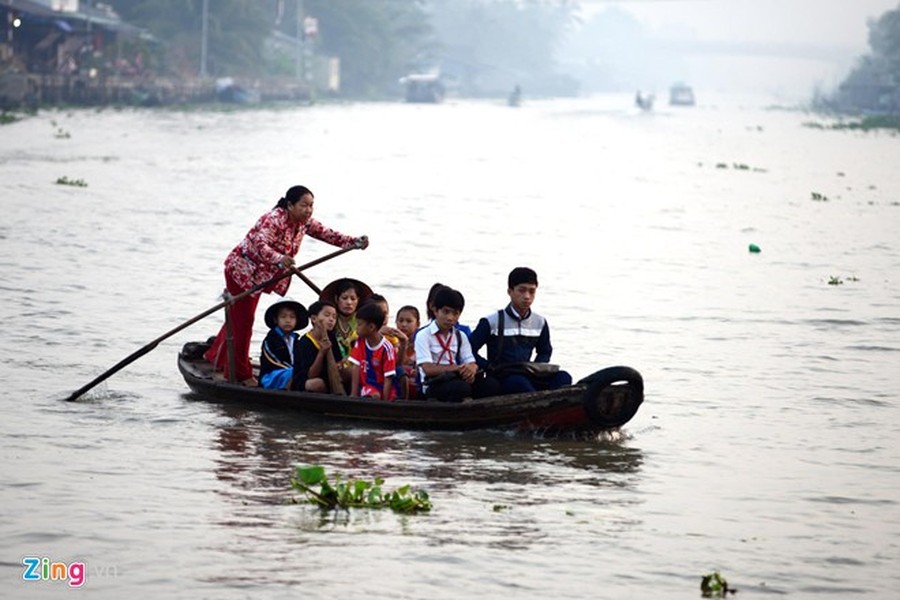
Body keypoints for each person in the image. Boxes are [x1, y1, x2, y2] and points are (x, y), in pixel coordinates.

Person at [203, 185, 367, 386]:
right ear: (290, 205)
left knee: (238, 318)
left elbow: (327, 234)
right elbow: (260, 245)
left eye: (311, 206)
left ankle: (216, 356)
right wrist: (280, 258)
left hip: (261, 275)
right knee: (244, 322)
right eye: (303, 205)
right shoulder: (274, 219)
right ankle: (239, 373)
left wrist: (353, 242)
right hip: (242, 271)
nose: (308, 210)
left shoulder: (304, 222)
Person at [469, 267, 572, 395]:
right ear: (510, 291)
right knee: (519, 383)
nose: (527, 297)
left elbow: (545, 351)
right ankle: (539, 406)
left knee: (564, 377)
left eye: (532, 291)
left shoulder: (540, 322)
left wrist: (537, 367)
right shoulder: (492, 321)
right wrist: (487, 366)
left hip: (529, 374)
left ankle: (554, 407)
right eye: (522, 291)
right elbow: (469, 349)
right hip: (503, 376)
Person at [414, 287, 501, 403]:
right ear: (435, 311)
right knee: (461, 388)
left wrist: (471, 369)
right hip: (433, 384)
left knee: (491, 384)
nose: (450, 318)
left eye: (455, 313)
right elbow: (428, 369)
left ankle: (477, 414)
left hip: (455, 378)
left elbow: (471, 362)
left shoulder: (461, 336)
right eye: (446, 312)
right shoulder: (423, 335)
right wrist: (457, 368)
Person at [319, 277, 373, 388]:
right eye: (344, 298)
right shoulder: (330, 320)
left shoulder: (363, 322)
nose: (349, 302)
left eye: (353, 299)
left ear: (358, 300)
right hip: (333, 365)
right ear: (336, 299)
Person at [293, 300, 345, 393]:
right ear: (314, 319)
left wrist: (339, 365)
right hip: (307, 380)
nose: (331, 319)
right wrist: (322, 352)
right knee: (317, 384)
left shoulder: (331, 336)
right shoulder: (304, 342)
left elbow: (338, 360)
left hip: (328, 376)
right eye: (327, 315)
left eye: (334, 317)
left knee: (350, 372)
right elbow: (311, 375)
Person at [348, 302, 396, 400]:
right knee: (374, 395)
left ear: (371, 327)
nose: (356, 328)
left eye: (359, 324)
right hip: (367, 386)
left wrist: (385, 403)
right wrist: (353, 394)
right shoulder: (360, 342)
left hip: (384, 388)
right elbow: (356, 367)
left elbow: (388, 377)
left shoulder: (387, 348)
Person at [258, 299, 308, 390]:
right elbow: (273, 360)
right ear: (276, 319)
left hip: (293, 373)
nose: (288, 320)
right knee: (293, 373)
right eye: (283, 317)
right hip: (271, 376)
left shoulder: (296, 340)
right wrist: (296, 370)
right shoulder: (270, 339)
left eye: (292, 317)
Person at [395, 305, 421, 399]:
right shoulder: (392, 344)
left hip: (416, 387)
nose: (404, 324)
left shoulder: (420, 345)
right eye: (400, 320)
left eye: (409, 321)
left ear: (417, 324)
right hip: (397, 385)